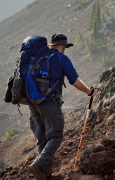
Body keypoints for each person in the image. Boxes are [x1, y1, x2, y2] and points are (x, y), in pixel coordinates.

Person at [28, 33, 96, 180]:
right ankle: (38, 165)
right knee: (56, 137)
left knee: (43, 139)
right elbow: (75, 81)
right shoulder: (61, 58)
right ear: (64, 46)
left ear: (51, 45)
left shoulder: (38, 57)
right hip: (49, 103)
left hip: (32, 103)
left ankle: (45, 175)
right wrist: (90, 92)